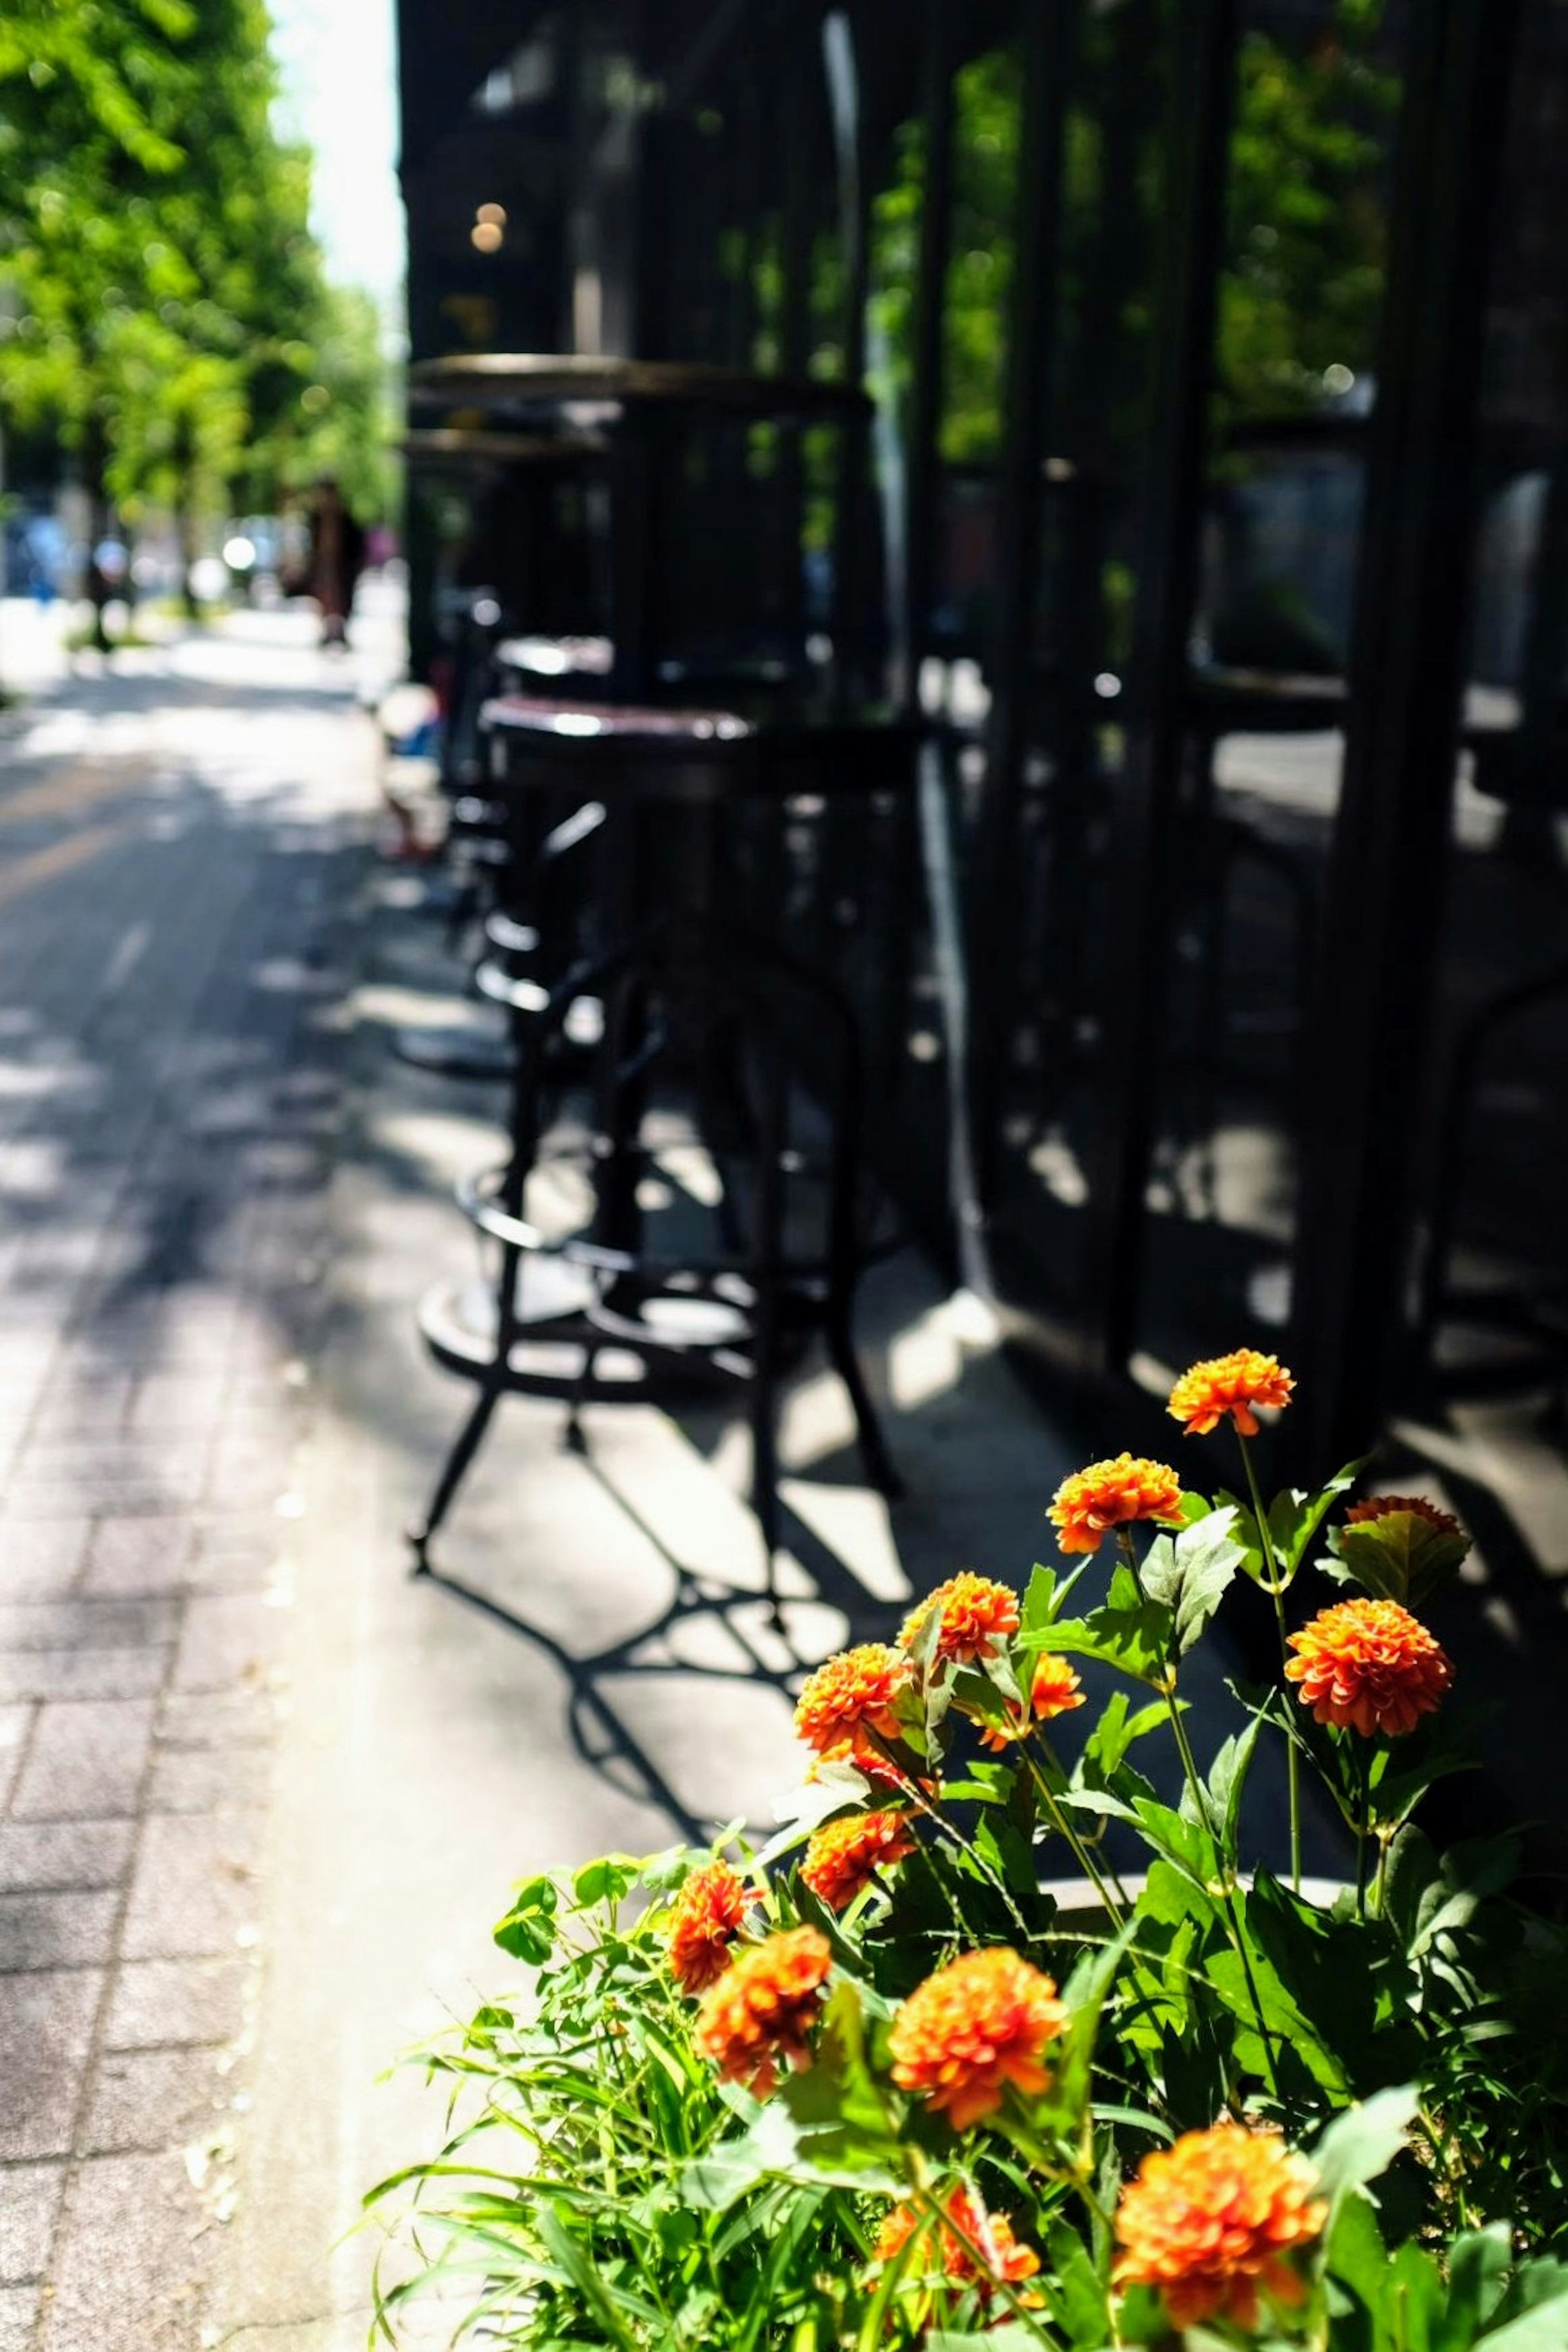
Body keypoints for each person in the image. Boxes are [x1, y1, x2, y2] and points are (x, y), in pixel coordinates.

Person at [305, 476, 365, 648]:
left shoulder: (345, 517)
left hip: (342, 567)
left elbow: (356, 543)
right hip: (323, 566)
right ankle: (327, 631)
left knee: (343, 599)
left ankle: (341, 631)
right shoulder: (316, 517)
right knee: (323, 599)